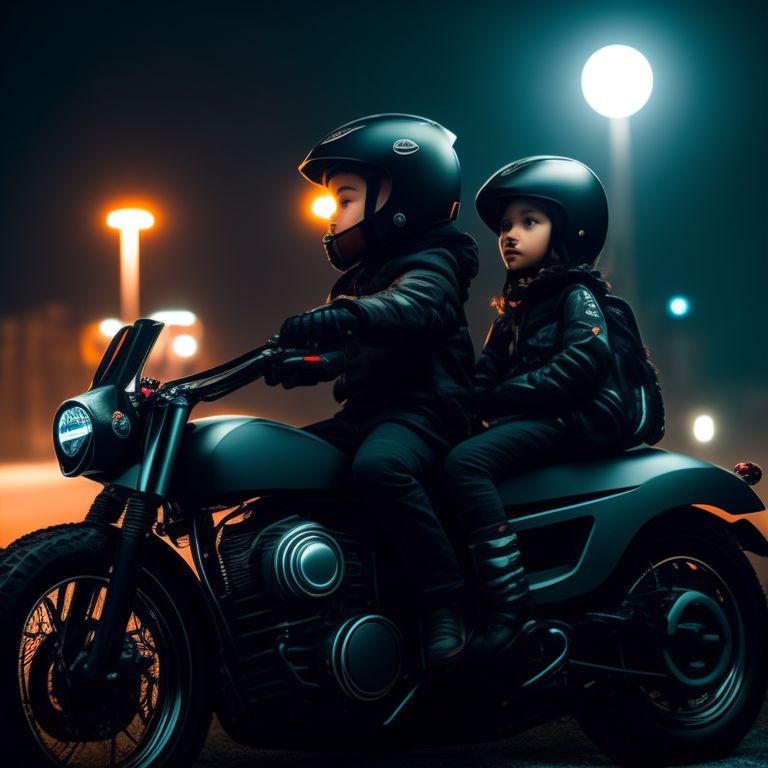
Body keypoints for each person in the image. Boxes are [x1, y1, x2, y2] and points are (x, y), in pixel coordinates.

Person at [271, 113, 480, 669]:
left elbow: (417, 307)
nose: (332, 215)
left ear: (399, 200)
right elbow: (361, 347)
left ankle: (444, 603)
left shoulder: (432, 262)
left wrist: (348, 315)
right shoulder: (368, 276)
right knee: (280, 468)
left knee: (379, 469)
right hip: (369, 413)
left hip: (426, 413)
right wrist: (305, 362)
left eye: (344, 198)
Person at [444, 156, 628, 662]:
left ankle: (510, 608)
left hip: (571, 422)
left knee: (467, 463)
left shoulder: (576, 293)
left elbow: (586, 362)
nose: (510, 235)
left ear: (563, 230)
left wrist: (505, 396)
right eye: (505, 226)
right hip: (533, 420)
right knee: (442, 452)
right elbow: (478, 384)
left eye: (529, 222)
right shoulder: (511, 316)